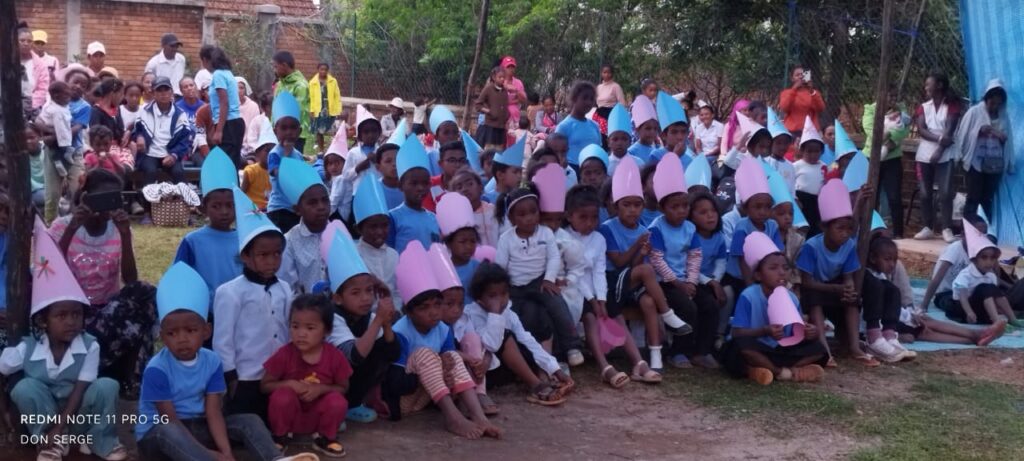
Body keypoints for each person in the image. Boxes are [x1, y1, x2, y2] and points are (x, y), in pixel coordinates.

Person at [138, 263, 318, 461]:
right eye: (172, 333)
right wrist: (210, 455)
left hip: (199, 425)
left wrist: (226, 453)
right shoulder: (157, 368)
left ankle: (274, 458)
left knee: (249, 420)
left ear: (206, 331)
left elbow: (213, 411)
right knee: (168, 430)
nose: (182, 339)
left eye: (190, 331)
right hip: (159, 437)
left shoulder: (212, 360)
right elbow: (169, 419)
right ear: (162, 336)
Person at [1, 217, 127, 461]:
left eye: (76, 315)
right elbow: (2, 368)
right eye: (61, 315)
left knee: (107, 385)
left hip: (77, 415)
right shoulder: (28, 348)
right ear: (43, 321)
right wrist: (4, 412)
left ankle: (99, 439)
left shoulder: (89, 345)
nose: (71, 321)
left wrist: (62, 427)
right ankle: (51, 444)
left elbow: (81, 389)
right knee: (24, 387)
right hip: (46, 420)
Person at [50, 169, 158, 398]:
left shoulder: (117, 230)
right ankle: (108, 370)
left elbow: (130, 279)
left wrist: (126, 235)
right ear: (86, 197)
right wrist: (72, 229)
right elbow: (50, 272)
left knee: (146, 293)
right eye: (102, 199)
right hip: (75, 310)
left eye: (114, 199)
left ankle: (133, 377)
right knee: (136, 327)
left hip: (109, 309)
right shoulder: (62, 226)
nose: (108, 207)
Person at [384, 242, 501, 438]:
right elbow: (394, 384)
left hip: (430, 396)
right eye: (424, 308)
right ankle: (453, 418)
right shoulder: (401, 333)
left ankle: (478, 416)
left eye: (437, 305)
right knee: (425, 355)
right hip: (404, 399)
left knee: (451, 356)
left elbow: (447, 362)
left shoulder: (443, 329)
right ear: (409, 312)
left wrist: (443, 368)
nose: (433, 313)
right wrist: (434, 369)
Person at [599, 156, 693, 372]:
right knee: (647, 269)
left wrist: (641, 252)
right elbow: (619, 262)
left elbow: (636, 265)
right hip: (612, 283)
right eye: (627, 205)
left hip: (631, 281)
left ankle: (656, 356)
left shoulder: (644, 230)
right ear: (616, 206)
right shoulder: (608, 228)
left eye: (637, 205)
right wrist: (636, 247)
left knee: (649, 302)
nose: (632, 210)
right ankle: (669, 315)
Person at [214, 189, 291, 419]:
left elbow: (287, 330)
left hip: (277, 376)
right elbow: (223, 340)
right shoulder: (230, 292)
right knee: (243, 424)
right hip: (246, 376)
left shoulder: (285, 289)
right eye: (263, 255)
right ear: (246, 257)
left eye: (277, 254)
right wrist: (231, 376)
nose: (272, 261)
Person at [458, 262, 575, 403]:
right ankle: (536, 385)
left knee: (528, 338)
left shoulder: (509, 314)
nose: (500, 300)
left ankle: (543, 376)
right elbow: (491, 345)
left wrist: (555, 369)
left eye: (504, 293)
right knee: (506, 337)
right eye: (492, 296)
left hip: (504, 368)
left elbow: (528, 341)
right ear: (479, 298)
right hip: (483, 373)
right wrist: (495, 314)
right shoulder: (471, 314)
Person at [720, 233, 827, 385]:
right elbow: (737, 333)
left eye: (785, 268)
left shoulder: (792, 297)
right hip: (757, 346)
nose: (782, 272)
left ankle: (785, 369)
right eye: (773, 268)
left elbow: (794, 332)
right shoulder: (749, 296)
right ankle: (779, 372)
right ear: (758, 275)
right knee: (739, 347)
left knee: (819, 349)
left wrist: (809, 332)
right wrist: (765, 331)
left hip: (780, 349)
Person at [647, 155, 720, 369]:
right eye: (674, 207)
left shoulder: (689, 228)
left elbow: (695, 255)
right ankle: (678, 351)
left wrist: (692, 281)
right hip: (663, 283)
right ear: (662, 208)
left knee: (710, 305)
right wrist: (677, 283)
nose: (680, 211)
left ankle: (701, 351)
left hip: (686, 281)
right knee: (687, 308)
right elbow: (657, 259)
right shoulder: (656, 228)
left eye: (684, 206)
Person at [323, 228, 400, 425]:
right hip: (324, 382)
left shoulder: (369, 316)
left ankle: (353, 403)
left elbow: (392, 353)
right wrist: (377, 322)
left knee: (379, 352)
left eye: (369, 291)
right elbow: (353, 356)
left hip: (351, 380)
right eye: (356, 293)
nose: (366, 298)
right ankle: (332, 407)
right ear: (337, 298)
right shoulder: (332, 317)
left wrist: (386, 323)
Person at [261, 294, 350, 457]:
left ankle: (325, 438)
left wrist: (321, 389)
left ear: (327, 330)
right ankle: (280, 436)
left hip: (318, 417)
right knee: (282, 396)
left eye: (310, 328)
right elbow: (265, 385)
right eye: (295, 326)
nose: (301, 334)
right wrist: (290, 384)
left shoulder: (335, 356)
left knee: (337, 401)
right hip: (291, 416)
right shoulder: (284, 354)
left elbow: (343, 387)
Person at [797, 179, 874, 366]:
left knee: (853, 300)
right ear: (825, 228)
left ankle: (855, 347)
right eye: (840, 228)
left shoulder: (847, 246)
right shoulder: (811, 247)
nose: (845, 234)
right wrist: (837, 289)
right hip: (813, 291)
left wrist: (849, 291)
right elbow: (806, 282)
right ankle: (825, 350)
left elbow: (848, 277)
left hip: (834, 289)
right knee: (815, 299)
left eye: (848, 229)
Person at [174, 149, 242, 305]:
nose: (224, 212)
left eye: (229, 205)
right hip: (206, 310)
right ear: (204, 208)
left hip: (241, 308)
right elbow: (180, 276)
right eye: (216, 206)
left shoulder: (245, 238)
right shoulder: (193, 242)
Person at [913, 71, 963, 243]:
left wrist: (940, 150)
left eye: (928, 84)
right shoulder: (923, 107)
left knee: (946, 192)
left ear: (939, 86)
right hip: (924, 154)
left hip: (946, 154)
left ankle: (946, 228)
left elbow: (950, 131)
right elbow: (922, 130)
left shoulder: (952, 105)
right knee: (925, 193)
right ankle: (927, 227)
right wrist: (940, 139)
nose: (925, 87)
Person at [955, 78, 1013, 221]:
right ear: (986, 99)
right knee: (973, 196)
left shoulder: (1004, 117)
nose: (994, 107)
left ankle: (986, 231)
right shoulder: (974, 113)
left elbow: (1008, 140)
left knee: (987, 199)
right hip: (976, 162)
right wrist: (979, 131)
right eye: (992, 103)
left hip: (994, 164)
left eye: (998, 104)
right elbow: (963, 134)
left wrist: (999, 136)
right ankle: (969, 229)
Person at [40, 65, 92, 222]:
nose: (78, 86)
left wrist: (53, 136)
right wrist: (47, 134)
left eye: (83, 85)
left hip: (73, 153)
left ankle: (77, 223)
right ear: (67, 82)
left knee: (77, 190)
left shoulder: (85, 107)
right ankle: (50, 224)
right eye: (75, 82)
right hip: (53, 153)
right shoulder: (52, 102)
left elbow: (75, 129)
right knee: (52, 194)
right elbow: (40, 121)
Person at [724, 157, 784, 294]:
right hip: (739, 277)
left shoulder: (772, 225)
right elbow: (742, 260)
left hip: (762, 276)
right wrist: (750, 285)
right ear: (746, 208)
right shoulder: (742, 226)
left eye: (767, 207)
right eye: (757, 207)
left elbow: (778, 252)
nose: (762, 212)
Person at [951, 218, 1022, 326]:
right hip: (963, 308)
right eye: (984, 258)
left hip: (980, 308)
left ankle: (1012, 319)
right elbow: (962, 296)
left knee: (992, 290)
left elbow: (994, 297)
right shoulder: (966, 274)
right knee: (985, 288)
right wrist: (969, 312)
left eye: (992, 258)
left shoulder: (991, 275)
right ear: (974, 260)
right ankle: (996, 322)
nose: (989, 262)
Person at [277, 158, 332, 294]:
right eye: (312, 203)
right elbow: (287, 288)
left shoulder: (339, 234)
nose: (321, 207)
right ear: (297, 209)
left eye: (325, 200)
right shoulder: (289, 242)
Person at [387, 137, 441, 253]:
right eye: (414, 183)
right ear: (401, 186)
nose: (420, 188)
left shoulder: (433, 218)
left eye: (425, 183)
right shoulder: (394, 217)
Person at [266, 91, 307, 232]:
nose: (289, 132)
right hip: (278, 209)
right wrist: (287, 154)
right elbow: (278, 174)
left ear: (299, 131)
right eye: (284, 128)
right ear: (275, 131)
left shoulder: (299, 156)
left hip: (294, 209)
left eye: (293, 128)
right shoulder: (274, 154)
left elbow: (301, 181)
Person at [199, 45, 245, 168]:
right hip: (235, 122)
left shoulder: (218, 75)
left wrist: (219, 130)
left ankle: (227, 187)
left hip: (228, 124)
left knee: (226, 164)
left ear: (205, 60)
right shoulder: (228, 73)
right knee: (232, 163)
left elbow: (224, 102)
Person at [555, 81, 602, 168]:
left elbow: (598, 149)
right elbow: (557, 155)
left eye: (591, 99)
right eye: (584, 98)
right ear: (574, 98)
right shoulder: (564, 127)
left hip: (593, 174)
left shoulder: (595, 126)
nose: (588, 102)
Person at [449, 168, 500, 247]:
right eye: (459, 188)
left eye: (470, 184)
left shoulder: (495, 211)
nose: (465, 189)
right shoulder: (453, 220)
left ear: (480, 187)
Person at [793, 117, 827, 236]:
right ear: (802, 151)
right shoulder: (796, 166)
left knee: (816, 229)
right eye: (809, 151)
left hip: (818, 203)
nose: (813, 154)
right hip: (802, 202)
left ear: (821, 151)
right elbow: (791, 184)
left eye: (816, 151)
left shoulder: (824, 166)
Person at [273, 51, 311, 152]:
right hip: (280, 132)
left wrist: (286, 131)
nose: (275, 70)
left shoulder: (300, 85)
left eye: (276, 67)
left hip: (294, 134)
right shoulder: (280, 84)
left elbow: (299, 112)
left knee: (291, 162)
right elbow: (276, 108)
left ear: (284, 65)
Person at [37, 81, 75, 177]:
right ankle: (59, 162)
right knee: (58, 150)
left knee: (59, 150)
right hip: (54, 133)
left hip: (52, 132)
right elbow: (60, 128)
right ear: (56, 96)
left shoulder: (57, 104)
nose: (69, 98)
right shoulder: (56, 111)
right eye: (66, 96)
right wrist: (64, 142)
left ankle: (61, 159)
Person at [779, 66, 825, 135]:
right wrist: (794, 89)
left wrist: (811, 90)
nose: (800, 77)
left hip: (811, 131)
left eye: (802, 75)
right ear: (792, 79)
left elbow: (821, 108)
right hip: (792, 130)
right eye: (797, 75)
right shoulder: (786, 93)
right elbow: (784, 108)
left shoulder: (813, 93)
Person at [309, 63, 343, 155]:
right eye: (321, 69)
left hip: (330, 109)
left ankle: (334, 149)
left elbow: (337, 96)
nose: (323, 71)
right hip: (318, 110)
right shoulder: (313, 82)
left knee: (332, 130)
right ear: (318, 70)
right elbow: (311, 97)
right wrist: (312, 110)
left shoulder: (333, 81)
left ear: (328, 71)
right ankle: (321, 150)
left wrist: (338, 109)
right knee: (319, 131)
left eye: (325, 70)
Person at [475, 66, 510, 149]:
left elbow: (505, 106)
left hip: (501, 126)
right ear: (494, 77)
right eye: (500, 77)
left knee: (499, 151)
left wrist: (507, 116)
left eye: (503, 77)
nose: (502, 79)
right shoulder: (488, 88)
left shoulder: (504, 91)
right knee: (489, 150)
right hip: (491, 126)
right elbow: (478, 105)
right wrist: (489, 111)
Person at [19, 27, 50, 115]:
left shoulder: (40, 64)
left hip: (31, 108)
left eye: (29, 41)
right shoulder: (5, 61)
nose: (26, 44)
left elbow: (42, 89)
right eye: (22, 40)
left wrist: (28, 106)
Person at [594, 64, 627, 133]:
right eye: (604, 72)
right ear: (601, 73)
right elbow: (596, 101)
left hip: (610, 115)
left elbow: (622, 103)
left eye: (608, 72)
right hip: (599, 115)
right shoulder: (599, 87)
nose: (606, 74)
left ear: (612, 74)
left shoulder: (615, 87)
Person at [500, 56, 527, 130]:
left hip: (514, 117)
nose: (511, 69)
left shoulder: (518, 83)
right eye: (508, 67)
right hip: (500, 118)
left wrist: (515, 90)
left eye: (513, 67)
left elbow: (523, 99)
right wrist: (514, 101)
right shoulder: (499, 81)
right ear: (503, 68)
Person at [26, 124, 47, 208]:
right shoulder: (21, 156)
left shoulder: (46, 151)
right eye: (25, 139)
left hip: (49, 188)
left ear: (39, 137)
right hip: (33, 192)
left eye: (32, 137)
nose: (28, 141)